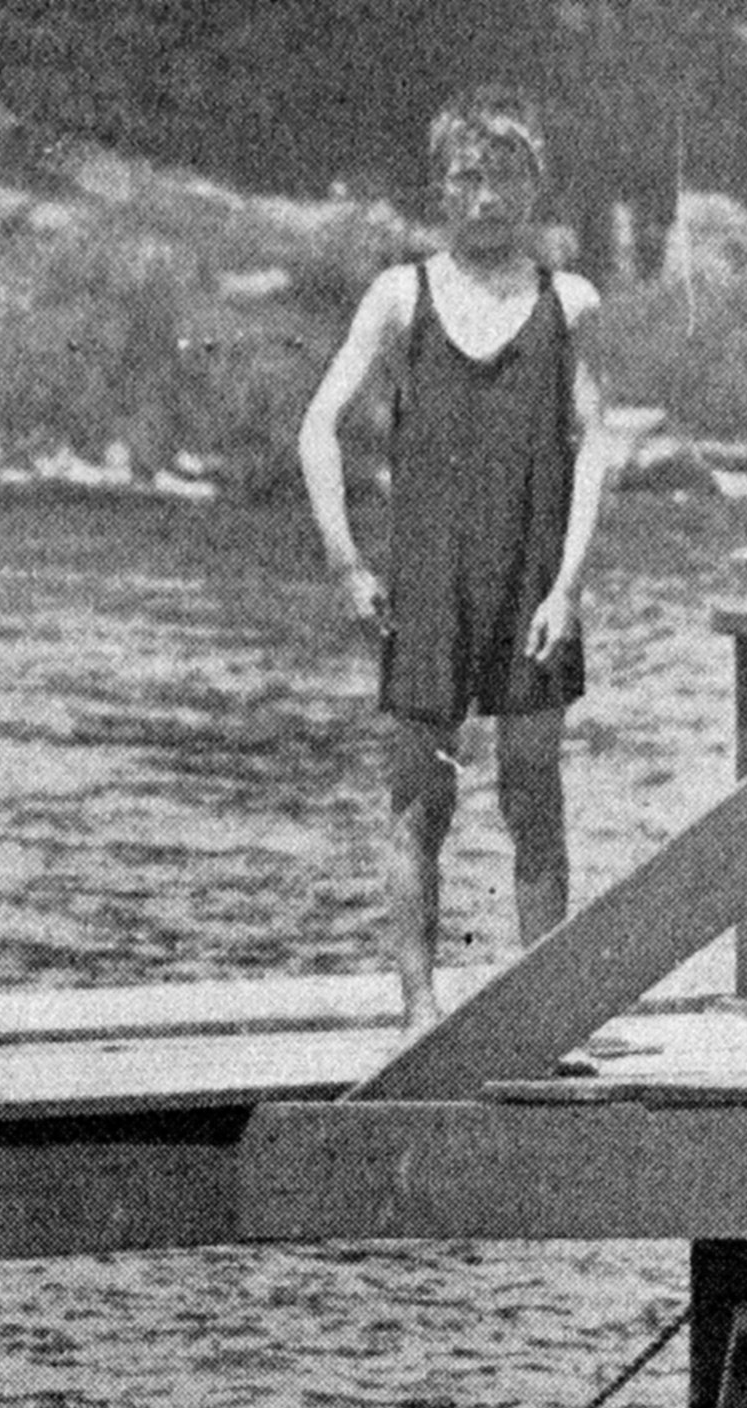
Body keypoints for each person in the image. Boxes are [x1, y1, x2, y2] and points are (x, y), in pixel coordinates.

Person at [297, 86, 613, 1029]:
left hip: (530, 588)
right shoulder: (402, 297)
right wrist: (345, 562)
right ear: (441, 188)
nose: (487, 197)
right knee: (417, 804)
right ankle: (421, 1013)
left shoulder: (572, 304)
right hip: (429, 585)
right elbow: (318, 426)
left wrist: (568, 584)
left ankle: (544, 1018)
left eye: (506, 176)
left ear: (535, 186)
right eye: (468, 177)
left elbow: (594, 444)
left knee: (534, 800)